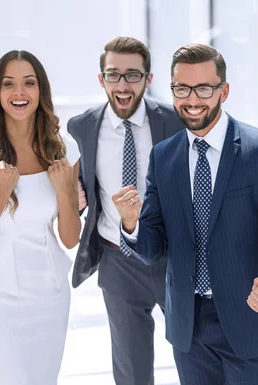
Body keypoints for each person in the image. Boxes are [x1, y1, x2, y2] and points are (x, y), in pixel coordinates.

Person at [113, 43, 258, 385]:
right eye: (181, 89)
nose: (192, 99)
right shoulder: (163, 157)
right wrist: (130, 223)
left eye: (204, 88)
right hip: (188, 325)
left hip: (250, 317)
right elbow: (153, 248)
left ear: (224, 90)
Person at [0, 50, 81, 385]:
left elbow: (69, 238)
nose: (19, 92)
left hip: (49, 294)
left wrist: (65, 192)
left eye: (29, 83)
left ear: (41, 91)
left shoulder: (64, 147)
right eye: (9, 84)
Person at [68, 37, 183, 385]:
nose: (122, 84)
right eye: (113, 75)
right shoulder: (81, 127)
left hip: (173, 257)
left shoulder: (175, 122)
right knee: (131, 370)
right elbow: (76, 179)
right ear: (101, 79)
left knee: (195, 353)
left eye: (132, 75)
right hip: (117, 258)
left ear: (148, 80)